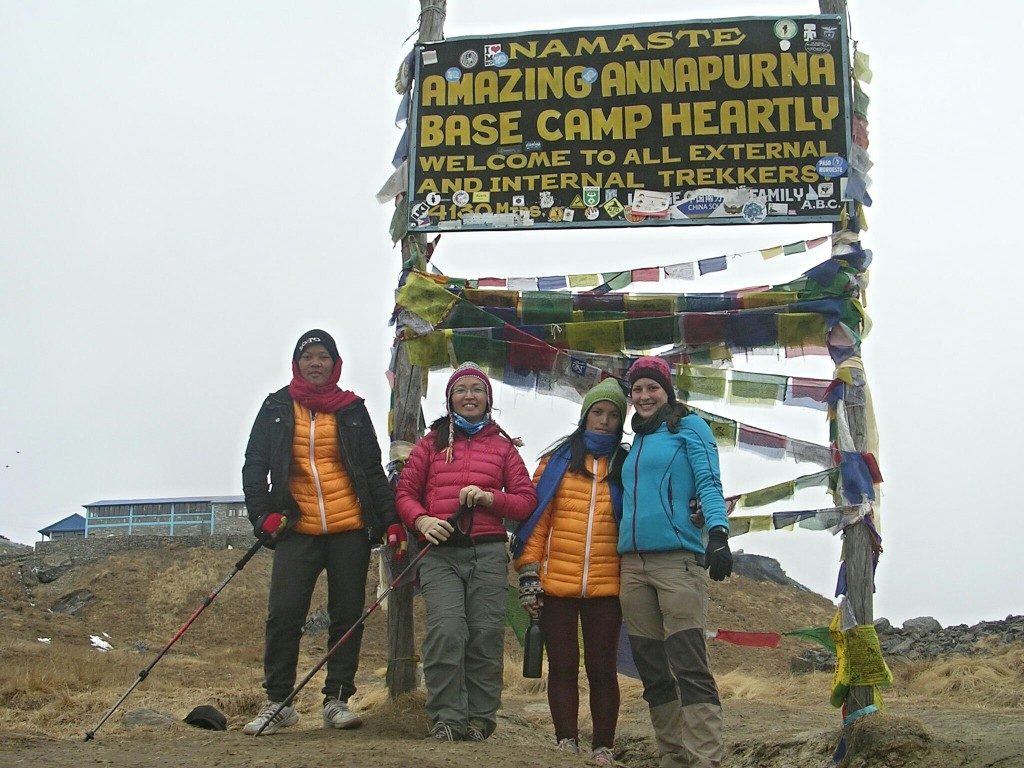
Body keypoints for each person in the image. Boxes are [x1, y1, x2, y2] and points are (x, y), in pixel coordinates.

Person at [241, 329, 402, 736]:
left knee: (347, 616)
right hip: (297, 528)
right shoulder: (276, 406)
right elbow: (255, 465)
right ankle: (279, 702)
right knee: (283, 614)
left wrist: (390, 520)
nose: (316, 363)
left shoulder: (352, 410)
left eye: (324, 357)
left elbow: (371, 471)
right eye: (308, 356)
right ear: (297, 363)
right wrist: (262, 517)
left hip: (349, 528)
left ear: (336, 364)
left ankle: (337, 700)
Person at [396, 362, 537, 742]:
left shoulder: (504, 448)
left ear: (488, 399)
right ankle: (446, 718)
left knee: (485, 634)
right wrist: (422, 521)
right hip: (439, 554)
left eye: (477, 389)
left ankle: (479, 721)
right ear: (450, 398)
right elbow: (405, 494)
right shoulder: (430, 444)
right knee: (446, 631)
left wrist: (491, 498)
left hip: (488, 553)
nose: (469, 395)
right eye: (462, 390)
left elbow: (526, 502)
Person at [618, 356, 733, 768]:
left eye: (653, 388)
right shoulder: (634, 444)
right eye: (638, 389)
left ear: (667, 392)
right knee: (651, 668)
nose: (645, 396)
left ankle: (706, 759)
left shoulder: (688, 427)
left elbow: (708, 480)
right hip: (631, 566)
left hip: (678, 562)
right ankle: (672, 756)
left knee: (689, 663)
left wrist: (717, 532)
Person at [512, 378, 629, 767]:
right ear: (585, 416)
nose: (604, 420)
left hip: (608, 586)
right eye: (598, 412)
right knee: (562, 665)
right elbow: (536, 522)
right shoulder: (555, 463)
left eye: (613, 415)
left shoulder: (629, 465)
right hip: (555, 584)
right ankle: (566, 741)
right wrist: (529, 574)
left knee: (602, 668)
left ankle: (603, 747)